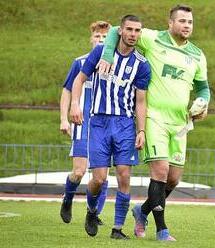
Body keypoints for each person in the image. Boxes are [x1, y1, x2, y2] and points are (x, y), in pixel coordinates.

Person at [98, 4, 210, 241]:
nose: (186, 26)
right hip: (154, 117)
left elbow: (203, 87)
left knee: (173, 179)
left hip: (180, 123)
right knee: (160, 171)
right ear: (170, 23)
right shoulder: (152, 39)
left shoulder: (198, 54)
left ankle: (143, 210)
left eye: (190, 22)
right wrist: (107, 54)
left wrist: (203, 103)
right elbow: (115, 29)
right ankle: (162, 230)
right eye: (182, 21)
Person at [70, 15, 150, 239]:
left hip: (125, 124)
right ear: (121, 31)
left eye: (137, 31)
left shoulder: (141, 65)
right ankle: (92, 210)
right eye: (130, 30)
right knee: (99, 179)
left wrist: (141, 130)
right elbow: (79, 80)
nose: (133, 34)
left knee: (124, 176)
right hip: (99, 123)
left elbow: (141, 101)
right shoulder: (101, 52)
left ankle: (117, 229)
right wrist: (75, 104)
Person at [60, 21, 111, 225]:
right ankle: (68, 198)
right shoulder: (80, 63)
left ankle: (94, 213)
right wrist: (64, 118)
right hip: (82, 122)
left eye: (105, 38)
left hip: (105, 125)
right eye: (97, 37)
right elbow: (67, 90)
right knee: (79, 171)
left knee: (102, 176)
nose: (100, 40)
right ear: (91, 39)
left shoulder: (114, 64)